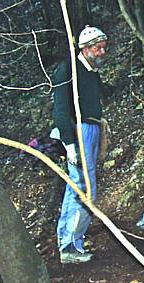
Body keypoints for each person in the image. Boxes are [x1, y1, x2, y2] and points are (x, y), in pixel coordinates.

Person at [52, 25, 108, 264]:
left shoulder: (91, 72)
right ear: (84, 49)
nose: (102, 52)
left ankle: (68, 242)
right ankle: (71, 247)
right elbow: (61, 110)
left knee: (76, 187)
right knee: (84, 190)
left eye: (104, 47)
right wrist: (70, 144)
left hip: (92, 129)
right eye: (98, 48)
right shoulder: (68, 71)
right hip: (79, 131)